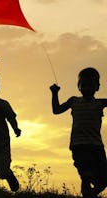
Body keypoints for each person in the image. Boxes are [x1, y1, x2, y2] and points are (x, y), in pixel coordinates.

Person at [50, 67, 107, 197]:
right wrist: (54, 93)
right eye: (84, 85)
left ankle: (90, 193)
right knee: (86, 174)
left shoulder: (100, 103)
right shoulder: (74, 101)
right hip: (79, 145)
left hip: (96, 146)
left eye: (91, 85)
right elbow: (56, 110)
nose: (87, 88)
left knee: (104, 180)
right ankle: (87, 188)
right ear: (78, 87)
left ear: (97, 87)